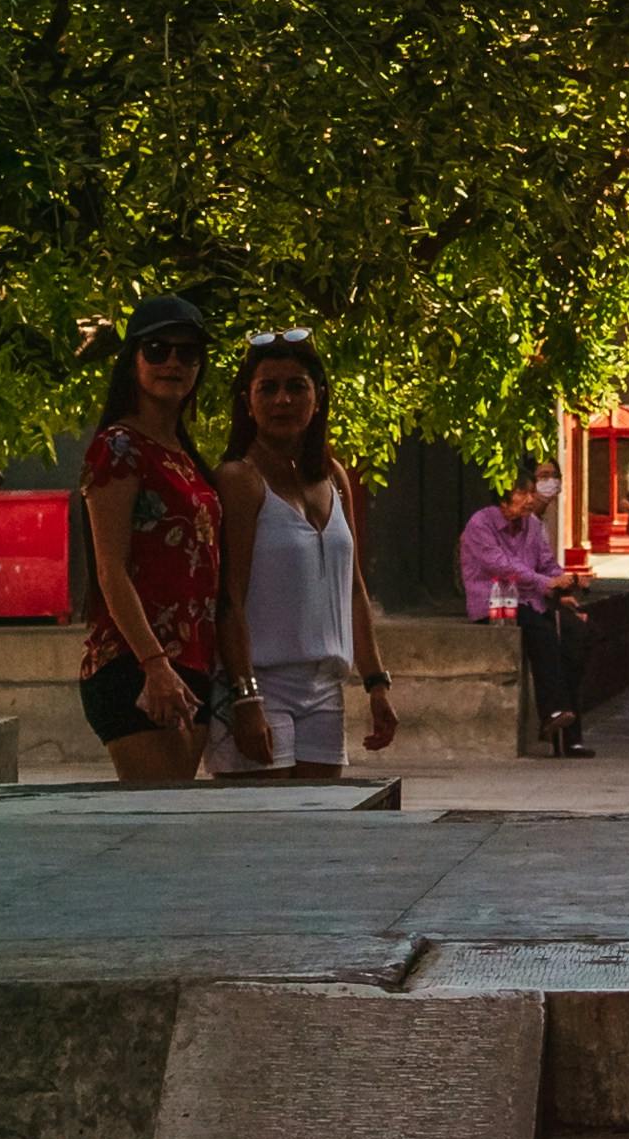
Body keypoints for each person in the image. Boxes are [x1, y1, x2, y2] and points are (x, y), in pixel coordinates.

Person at [216, 333, 398, 777]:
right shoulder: (239, 479)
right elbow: (228, 599)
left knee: (319, 832)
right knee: (269, 831)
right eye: (268, 388)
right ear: (248, 401)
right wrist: (245, 696)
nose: (283, 399)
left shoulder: (334, 476)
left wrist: (375, 683)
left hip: (324, 687)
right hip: (261, 685)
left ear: (318, 399)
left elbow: (353, 589)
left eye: (297, 386)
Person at [75, 298, 225, 781]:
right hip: (137, 663)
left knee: (174, 828)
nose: (173, 363)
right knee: (156, 825)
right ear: (132, 360)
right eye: (157, 349)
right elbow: (109, 570)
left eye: (188, 353)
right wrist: (155, 666)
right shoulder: (120, 446)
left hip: (193, 662)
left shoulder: (183, 452)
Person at [462, 463, 592, 754]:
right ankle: (553, 711)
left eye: (532, 492)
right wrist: (546, 583)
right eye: (523, 493)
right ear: (503, 496)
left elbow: (545, 562)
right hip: (495, 602)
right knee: (542, 633)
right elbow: (501, 565)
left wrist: (564, 582)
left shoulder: (533, 524)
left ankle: (569, 738)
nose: (531, 499)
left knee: (575, 636)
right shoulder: (481, 524)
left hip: (531, 599)